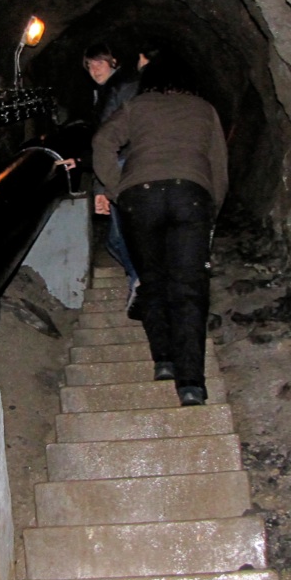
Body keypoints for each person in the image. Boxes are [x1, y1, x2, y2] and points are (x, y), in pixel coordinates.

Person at [92, 58, 228, 406]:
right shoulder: (204, 109)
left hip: (140, 197)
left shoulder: (137, 106)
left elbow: (103, 141)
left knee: (153, 281)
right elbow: (218, 166)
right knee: (189, 288)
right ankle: (191, 384)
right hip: (190, 195)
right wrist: (210, 210)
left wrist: (117, 187)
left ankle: (164, 361)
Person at [81, 43, 140, 303]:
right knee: (118, 239)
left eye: (99, 63)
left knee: (119, 238)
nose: (94, 70)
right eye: (89, 66)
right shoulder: (108, 91)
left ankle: (141, 282)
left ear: (113, 62)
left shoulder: (122, 89)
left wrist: (102, 187)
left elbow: (111, 142)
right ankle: (142, 280)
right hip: (120, 167)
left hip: (123, 169)